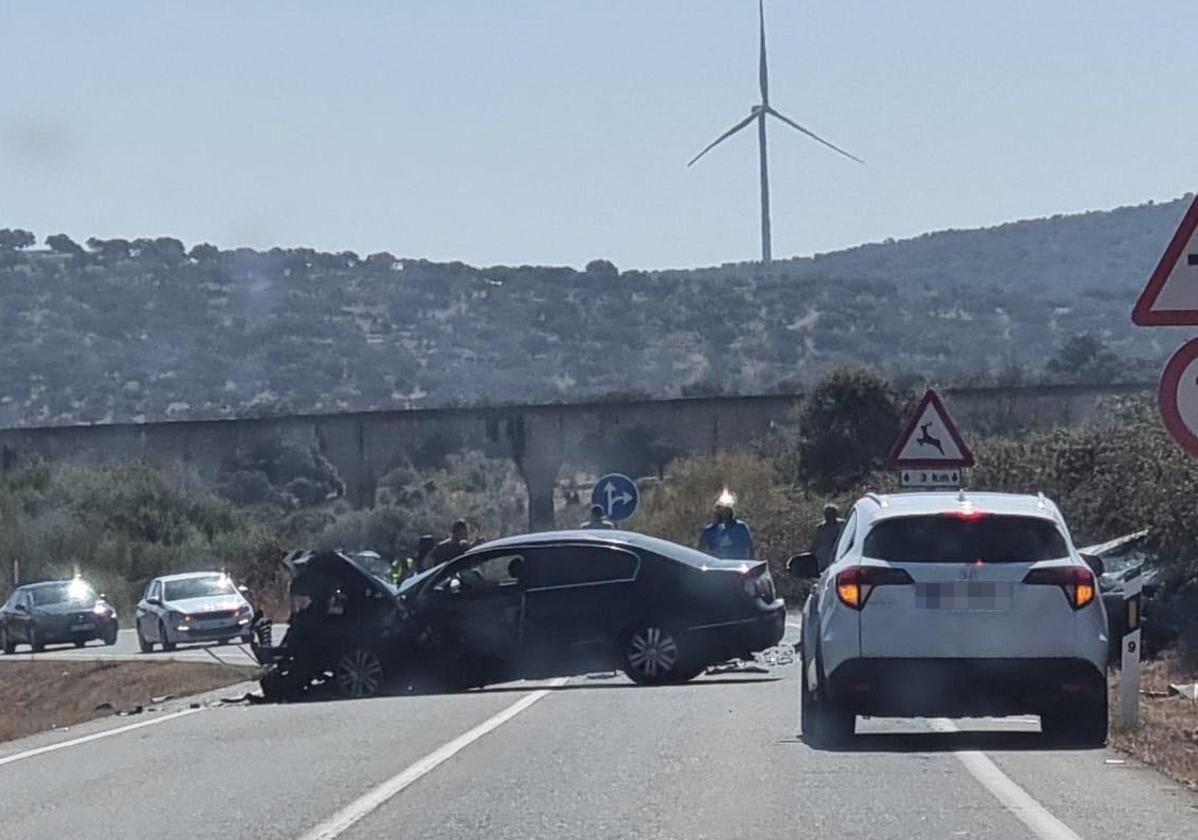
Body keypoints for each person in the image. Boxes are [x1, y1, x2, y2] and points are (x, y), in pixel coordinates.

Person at [697, 490, 754, 560]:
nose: (724, 513)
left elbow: (750, 548)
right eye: (721, 510)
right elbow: (700, 552)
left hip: (739, 566)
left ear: (731, 511)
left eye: (727, 510)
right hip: (718, 567)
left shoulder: (741, 527)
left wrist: (750, 564)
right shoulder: (709, 531)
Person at [811, 504, 844, 571]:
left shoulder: (842, 525)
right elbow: (815, 544)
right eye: (827, 514)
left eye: (831, 513)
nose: (829, 516)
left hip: (839, 558)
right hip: (824, 560)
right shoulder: (821, 528)